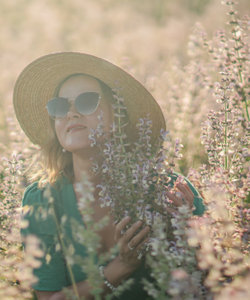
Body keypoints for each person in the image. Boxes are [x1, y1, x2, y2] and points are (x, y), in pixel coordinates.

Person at [13, 52, 205, 300]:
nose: (70, 113)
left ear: (118, 117)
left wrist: (188, 232)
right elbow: (48, 298)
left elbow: (215, 278)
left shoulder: (166, 189)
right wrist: (121, 267)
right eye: (59, 106)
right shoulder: (43, 199)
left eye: (86, 102)